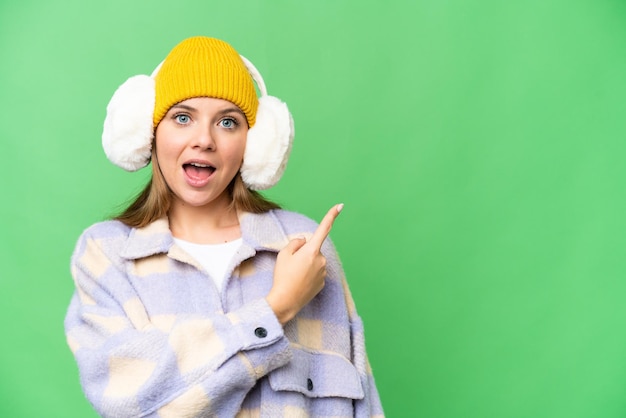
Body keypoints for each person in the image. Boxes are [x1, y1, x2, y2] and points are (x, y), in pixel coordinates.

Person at [64, 36, 384, 418]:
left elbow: (361, 405)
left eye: (228, 122)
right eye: (182, 118)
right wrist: (276, 308)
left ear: (256, 143)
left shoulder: (305, 248)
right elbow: (128, 404)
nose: (204, 140)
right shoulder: (105, 256)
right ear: (148, 132)